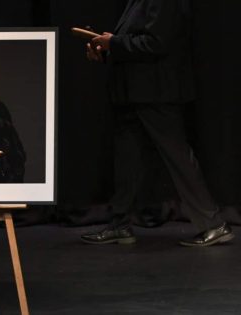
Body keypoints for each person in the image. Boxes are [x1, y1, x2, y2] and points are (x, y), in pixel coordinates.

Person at [80, 0, 234, 246]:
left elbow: (156, 43)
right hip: (135, 91)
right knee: (127, 159)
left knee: (177, 156)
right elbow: (136, 38)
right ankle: (119, 224)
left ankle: (214, 224)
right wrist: (108, 46)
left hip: (156, 92)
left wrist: (114, 43)